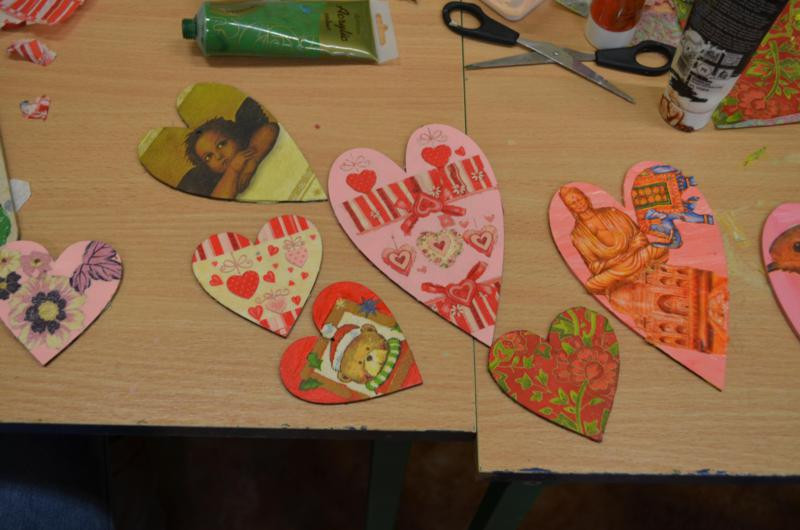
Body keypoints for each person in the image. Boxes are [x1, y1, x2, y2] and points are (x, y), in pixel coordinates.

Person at [559, 186, 668, 295]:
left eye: (579, 199)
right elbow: (594, 265)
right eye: (573, 203)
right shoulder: (577, 235)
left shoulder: (612, 212)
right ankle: (637, 275)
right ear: (569, 208)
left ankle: (627, 281)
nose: (579, 204)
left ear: (585, 197)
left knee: (661, 246)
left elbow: (639, 236)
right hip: (617, 269)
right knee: (592, 284)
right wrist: (614, 261)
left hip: (637, 256)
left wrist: (630, 250)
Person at [179, 97, 279, 199]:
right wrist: (233, 170)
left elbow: (270, 130)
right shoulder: (205, 182)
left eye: (221, 144)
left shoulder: (247, 142)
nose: (218, 156)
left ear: (235, 137)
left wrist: (250, 165)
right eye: (208, 157)